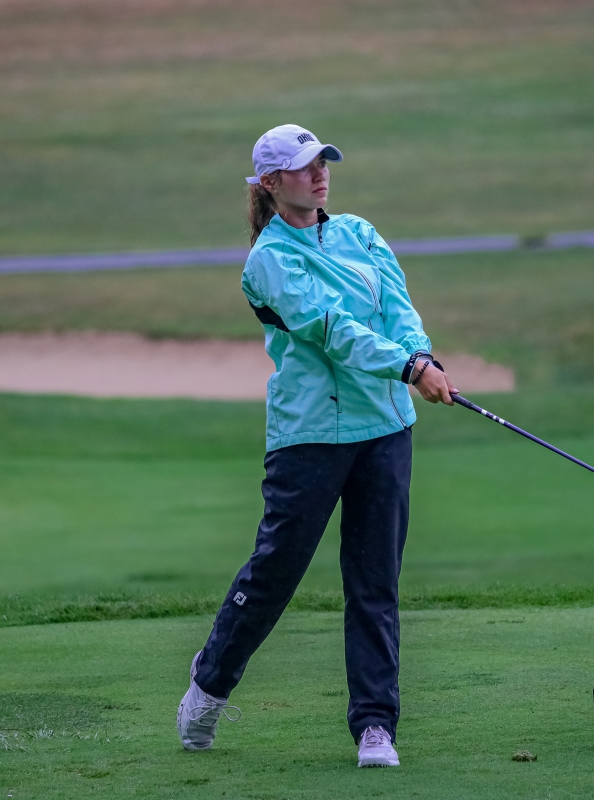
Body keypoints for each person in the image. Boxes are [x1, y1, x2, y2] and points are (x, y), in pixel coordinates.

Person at [176, 124, 456, 768]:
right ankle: (210, 681)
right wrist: (408, 367)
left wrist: (420, 353)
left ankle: (375, 726)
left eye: (323, 162)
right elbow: (331, 328)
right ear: (271, 183)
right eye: (305, 167)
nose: (320, 173)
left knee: (375, 581)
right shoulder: (269, 260)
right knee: (277, 571)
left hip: (385, 427)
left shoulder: (360, 232)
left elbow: (398, 308)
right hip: (310, 434)